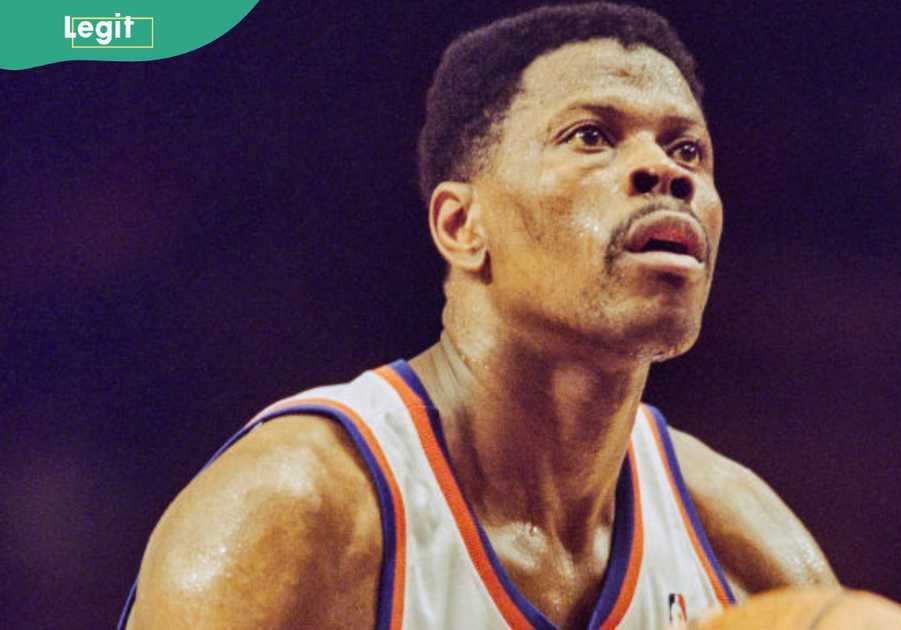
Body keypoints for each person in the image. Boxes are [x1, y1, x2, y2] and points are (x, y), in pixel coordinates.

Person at [119, 3, 836, 628]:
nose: (666, 171)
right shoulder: (288, 517)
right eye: (591, 136)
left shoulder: (744, 552)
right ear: (463, 226)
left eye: (688, 150)